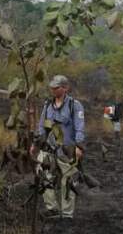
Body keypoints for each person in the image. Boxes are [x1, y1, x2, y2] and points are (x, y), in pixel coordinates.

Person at [29, 75, 86, 220]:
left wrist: (79, 146)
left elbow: (80, 128)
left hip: (67, 149)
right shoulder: (48, 104)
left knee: (68, 180)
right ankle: (52, 209)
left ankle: (67, 214)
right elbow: (42, 126)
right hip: (49, 148)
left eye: (57, 87)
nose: (53, 90)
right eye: (52, 87)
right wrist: (36, 144)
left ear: (65, 88)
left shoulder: (74, 105)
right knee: (44, 175)